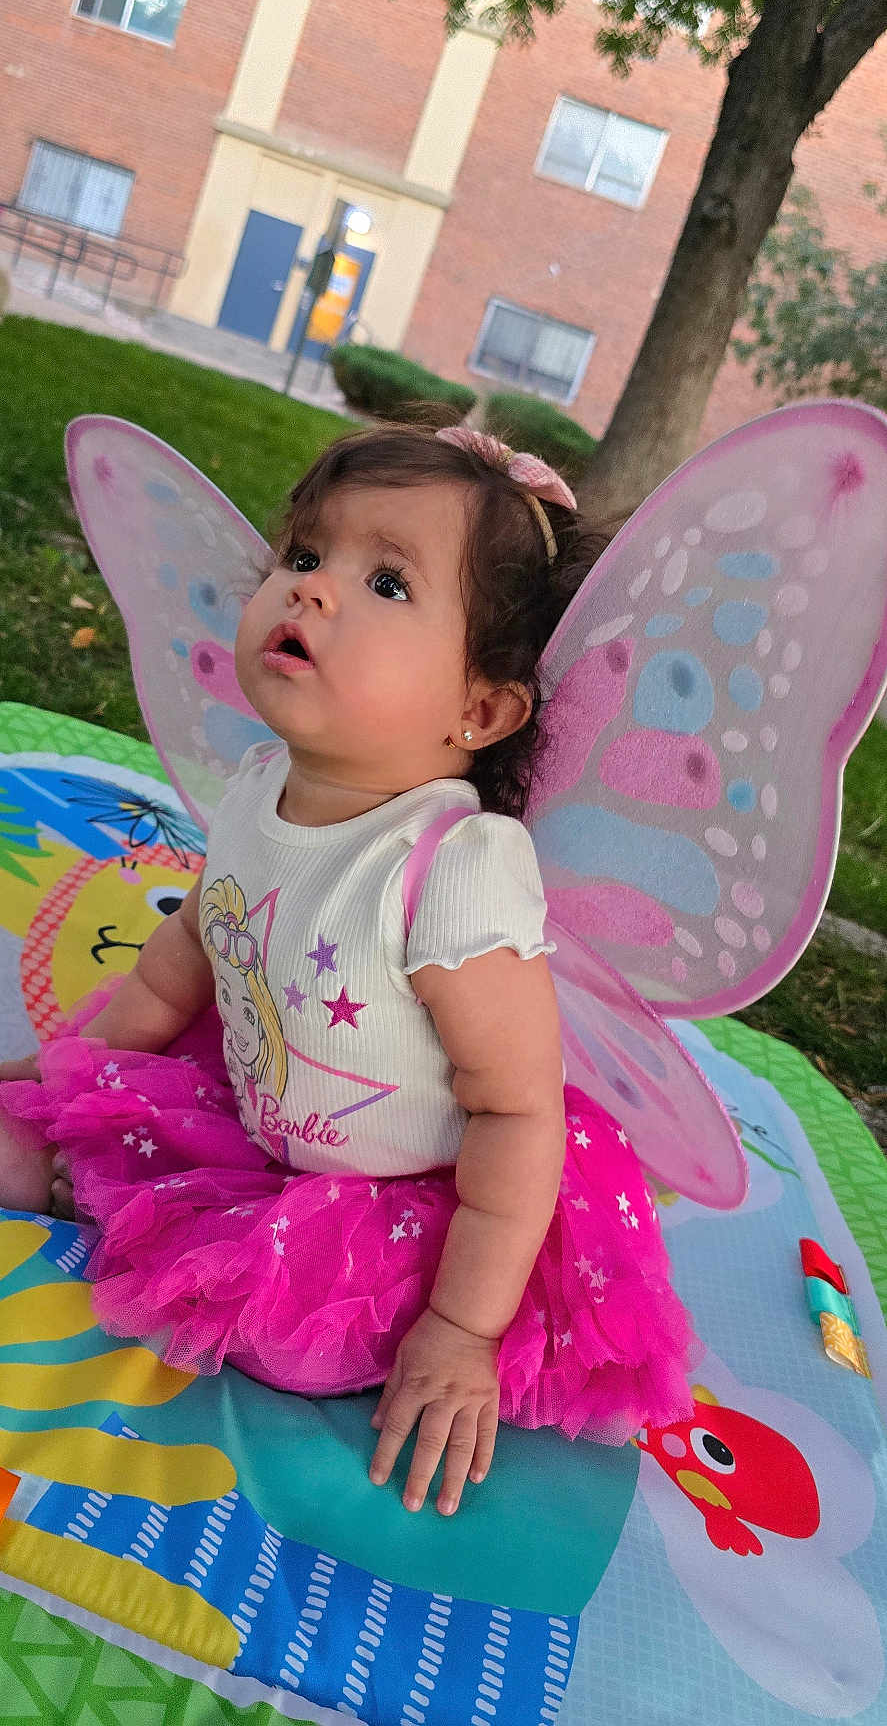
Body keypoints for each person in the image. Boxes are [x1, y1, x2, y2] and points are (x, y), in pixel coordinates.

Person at [0, 423, 693, 1516]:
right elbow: (193, 951)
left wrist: (462, 1333)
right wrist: (68, 1069)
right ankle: (65, 1170)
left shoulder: (452, 869)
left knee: (298, 1337)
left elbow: (515, 1115)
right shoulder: (258, 780)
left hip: (408, 1197)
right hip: (253, 1111)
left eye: (383, 581)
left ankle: (113, 1209)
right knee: (84, 1126)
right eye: (304, 556)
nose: (311, 593)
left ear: (479, 709)